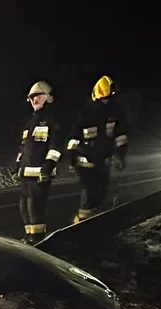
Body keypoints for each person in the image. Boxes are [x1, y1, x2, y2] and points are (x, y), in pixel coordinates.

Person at [66, 75, 129, 223]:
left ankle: (93, 222)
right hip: (85, 162)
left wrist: (121, 155)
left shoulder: (115, 112)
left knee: (102, 192)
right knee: (88, 193)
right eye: (105, 98)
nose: (107, 101)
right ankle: (81, 223)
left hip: (103, 161)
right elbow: (74, 136)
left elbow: (121, 136)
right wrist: (72, 156)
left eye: (109, 98)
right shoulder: (85, 113)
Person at [16, 81, 61, 240]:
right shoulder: (30, 123)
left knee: (35, 208)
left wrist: (48, 167)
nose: (34, 100)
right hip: (26, 173)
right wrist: (18, 167)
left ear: (48, 98)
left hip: (41, 174)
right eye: (32, 97)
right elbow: (24, 148)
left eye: (38, 96)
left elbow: (55, 147)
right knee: (24, 209)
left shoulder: (51, 122)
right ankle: (30, 238)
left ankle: (38, 240)